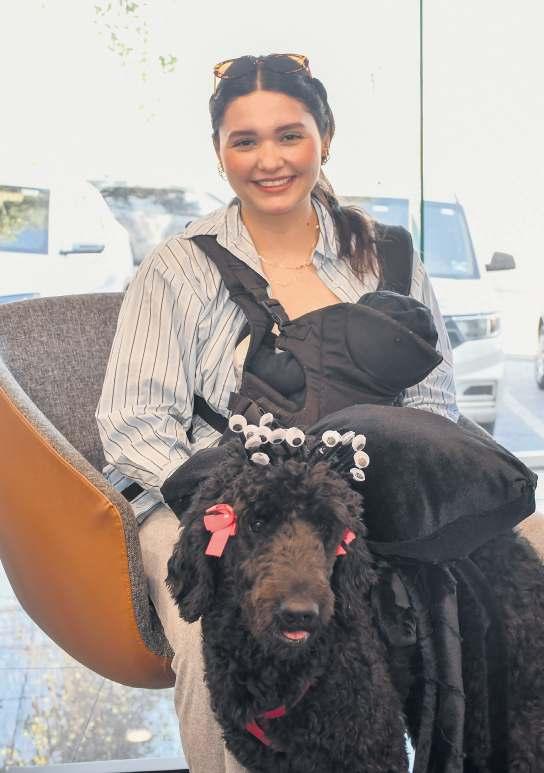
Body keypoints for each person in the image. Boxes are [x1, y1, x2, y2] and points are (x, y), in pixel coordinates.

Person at [95, 53, 457, 773]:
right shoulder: (179, 267)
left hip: (355, 499)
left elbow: (433, 402)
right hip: (212, 502)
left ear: (326, 136)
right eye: (245, 140)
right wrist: (233, 501)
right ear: (218, 152)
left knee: (489, 588)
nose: (269, 160)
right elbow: (135, 424)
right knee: (212, 631)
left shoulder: (386, 259)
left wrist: (378, 504)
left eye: (290, 135)